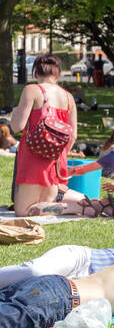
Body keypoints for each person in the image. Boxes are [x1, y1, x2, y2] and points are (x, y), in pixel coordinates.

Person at [11, 54, 77, 217]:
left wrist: (14, 114)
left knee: (22, 211)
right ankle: (74, 205)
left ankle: (75, 207)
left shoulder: (31, 90)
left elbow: (17, 126)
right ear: (58, 74)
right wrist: (58, 152)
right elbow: (73, 134)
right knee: (42, 206)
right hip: (56, 159)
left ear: (35, 73)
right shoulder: (69, 97)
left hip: (33, 156)